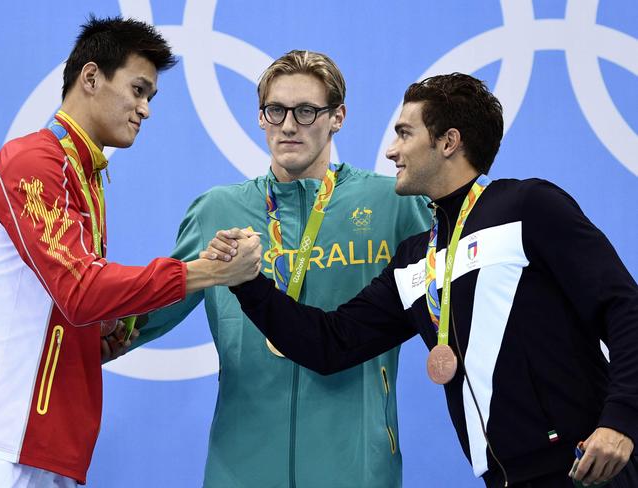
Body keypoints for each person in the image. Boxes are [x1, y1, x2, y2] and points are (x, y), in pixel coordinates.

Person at [229, 73, 638, 487]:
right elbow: (331, 344)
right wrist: (247, 282)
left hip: (589, 466)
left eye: (405, 134)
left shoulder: (527, 207)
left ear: (448, 142)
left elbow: (625, 307)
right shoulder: (414, 261)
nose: (391, 151)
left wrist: (622, 421)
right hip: (505, 479)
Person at [135, 50, 430, 487]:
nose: (288, 126)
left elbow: (457, 313)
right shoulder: (218, 210)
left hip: (355, 468)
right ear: (260, 117)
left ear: (338, 117)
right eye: (275, 110)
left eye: (307, 111)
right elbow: (152, 313)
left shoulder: (395, 205)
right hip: (242, 467)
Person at [0, 16, 261, 488]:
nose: (145, 109)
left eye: (150, 97)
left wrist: (91, 341)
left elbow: (58, 305)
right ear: (91, 77)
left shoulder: (86, 173)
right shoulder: (35, 160)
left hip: (48, 443)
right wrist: (207, 271)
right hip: (7, 440)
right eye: (138, 90)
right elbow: (81, 290)